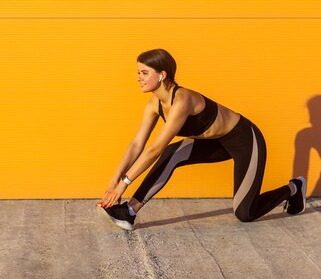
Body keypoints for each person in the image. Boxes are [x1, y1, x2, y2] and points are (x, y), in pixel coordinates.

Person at [97, 49, 306, 230]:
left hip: (244, 140)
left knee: (245, 213)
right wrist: (113, 181)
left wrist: (123, 185)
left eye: (144, 73)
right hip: (215, 143)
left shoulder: (182, 99)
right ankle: (129, 211)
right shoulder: (154, 104)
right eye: (138, 72)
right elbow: (136, 145)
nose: (139, 77)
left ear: (162, 75)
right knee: (173, 153)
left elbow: (154, 148)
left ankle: (294, 188)